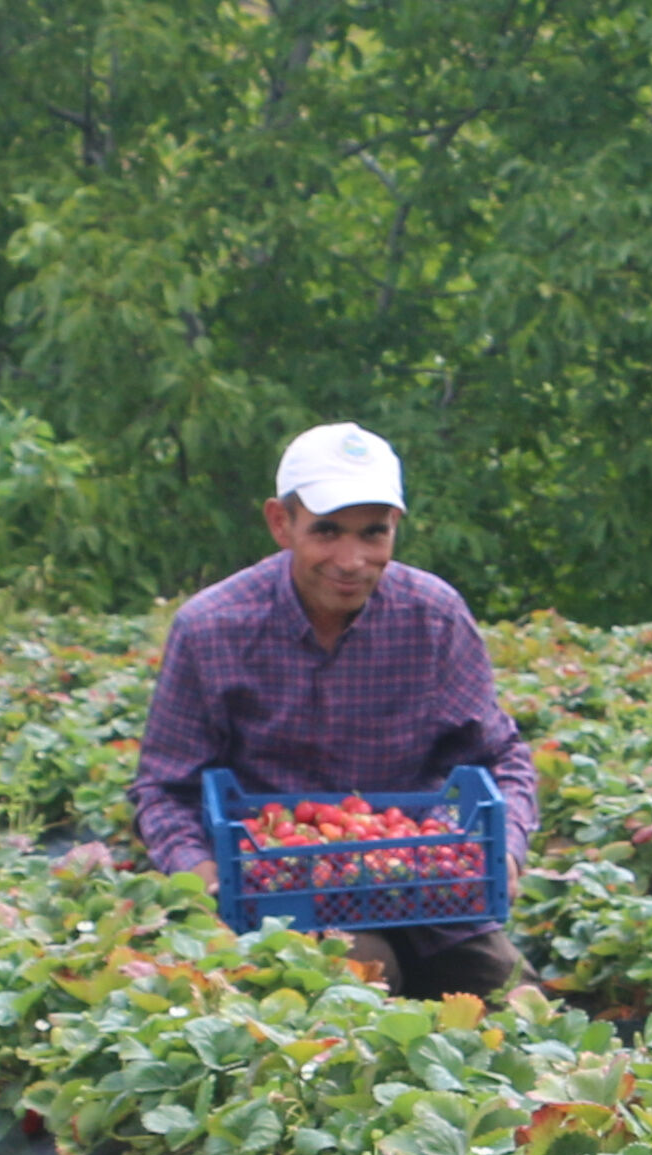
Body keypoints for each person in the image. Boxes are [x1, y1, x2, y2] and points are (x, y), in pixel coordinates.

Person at [111, 420, 540, 995]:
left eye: (373, 533)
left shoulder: (433, 617)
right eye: (328, 531)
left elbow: (500, 756)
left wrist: (507, 845)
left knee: (517, 996)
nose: (351, 558)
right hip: (277, 889)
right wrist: (199, 870)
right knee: (365, 970)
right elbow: (165, 786)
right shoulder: (212, 628)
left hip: (423, 882)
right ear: (280, 523)